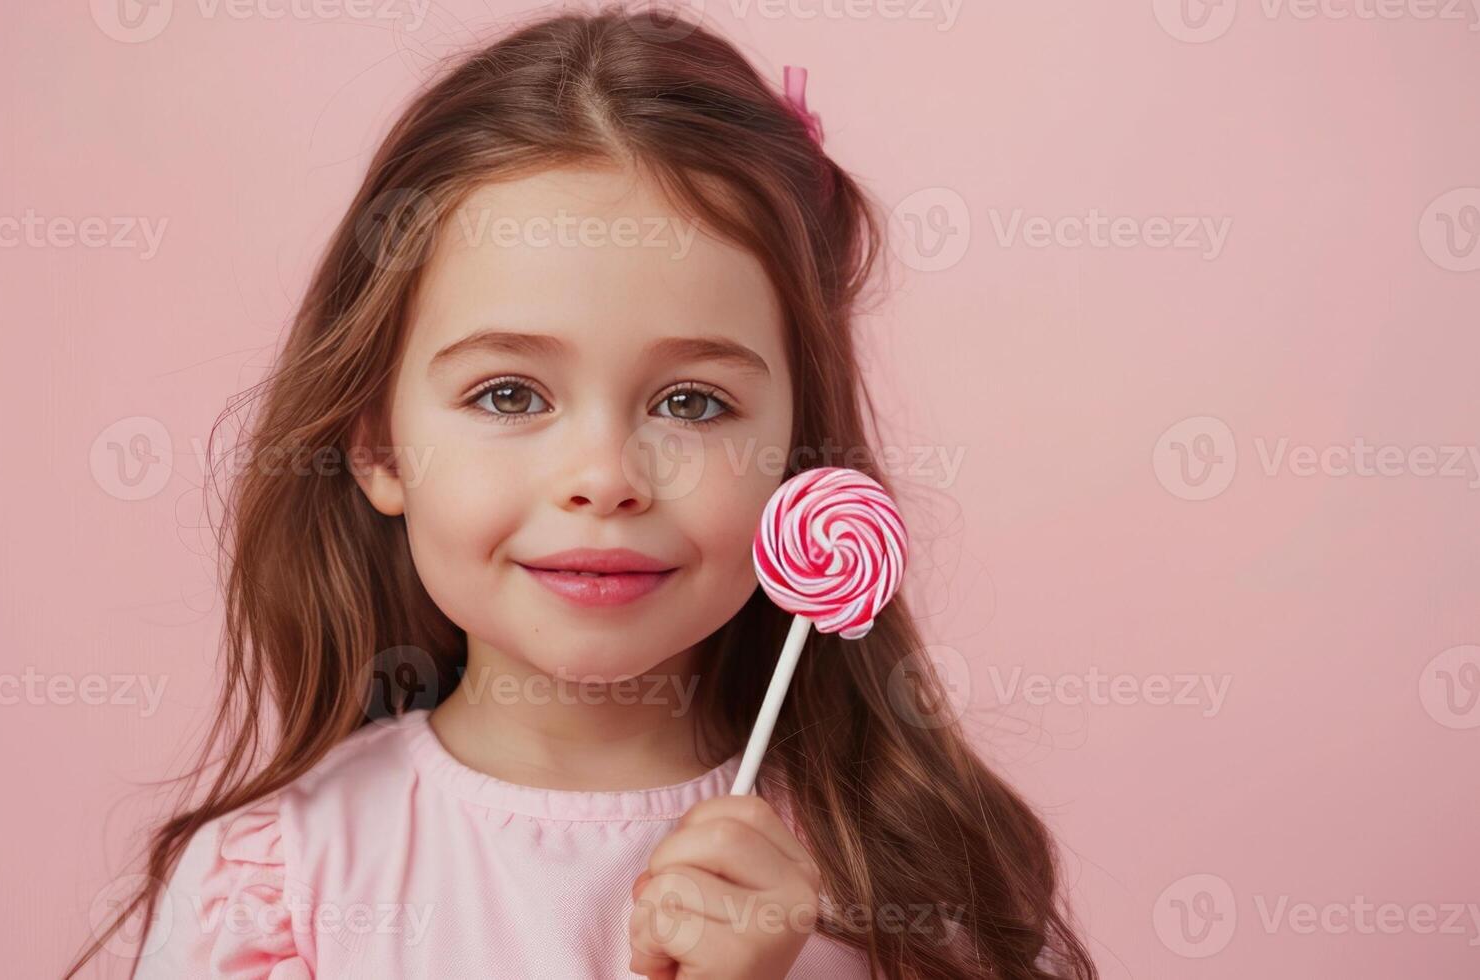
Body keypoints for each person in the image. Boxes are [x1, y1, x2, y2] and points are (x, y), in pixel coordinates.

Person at [69, 7, 1096, 978]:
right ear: (379, 444)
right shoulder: (277, 886)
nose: (605, 478)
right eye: (509, 391)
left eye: (692, 402)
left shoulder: (916, 883)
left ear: (798, 455)